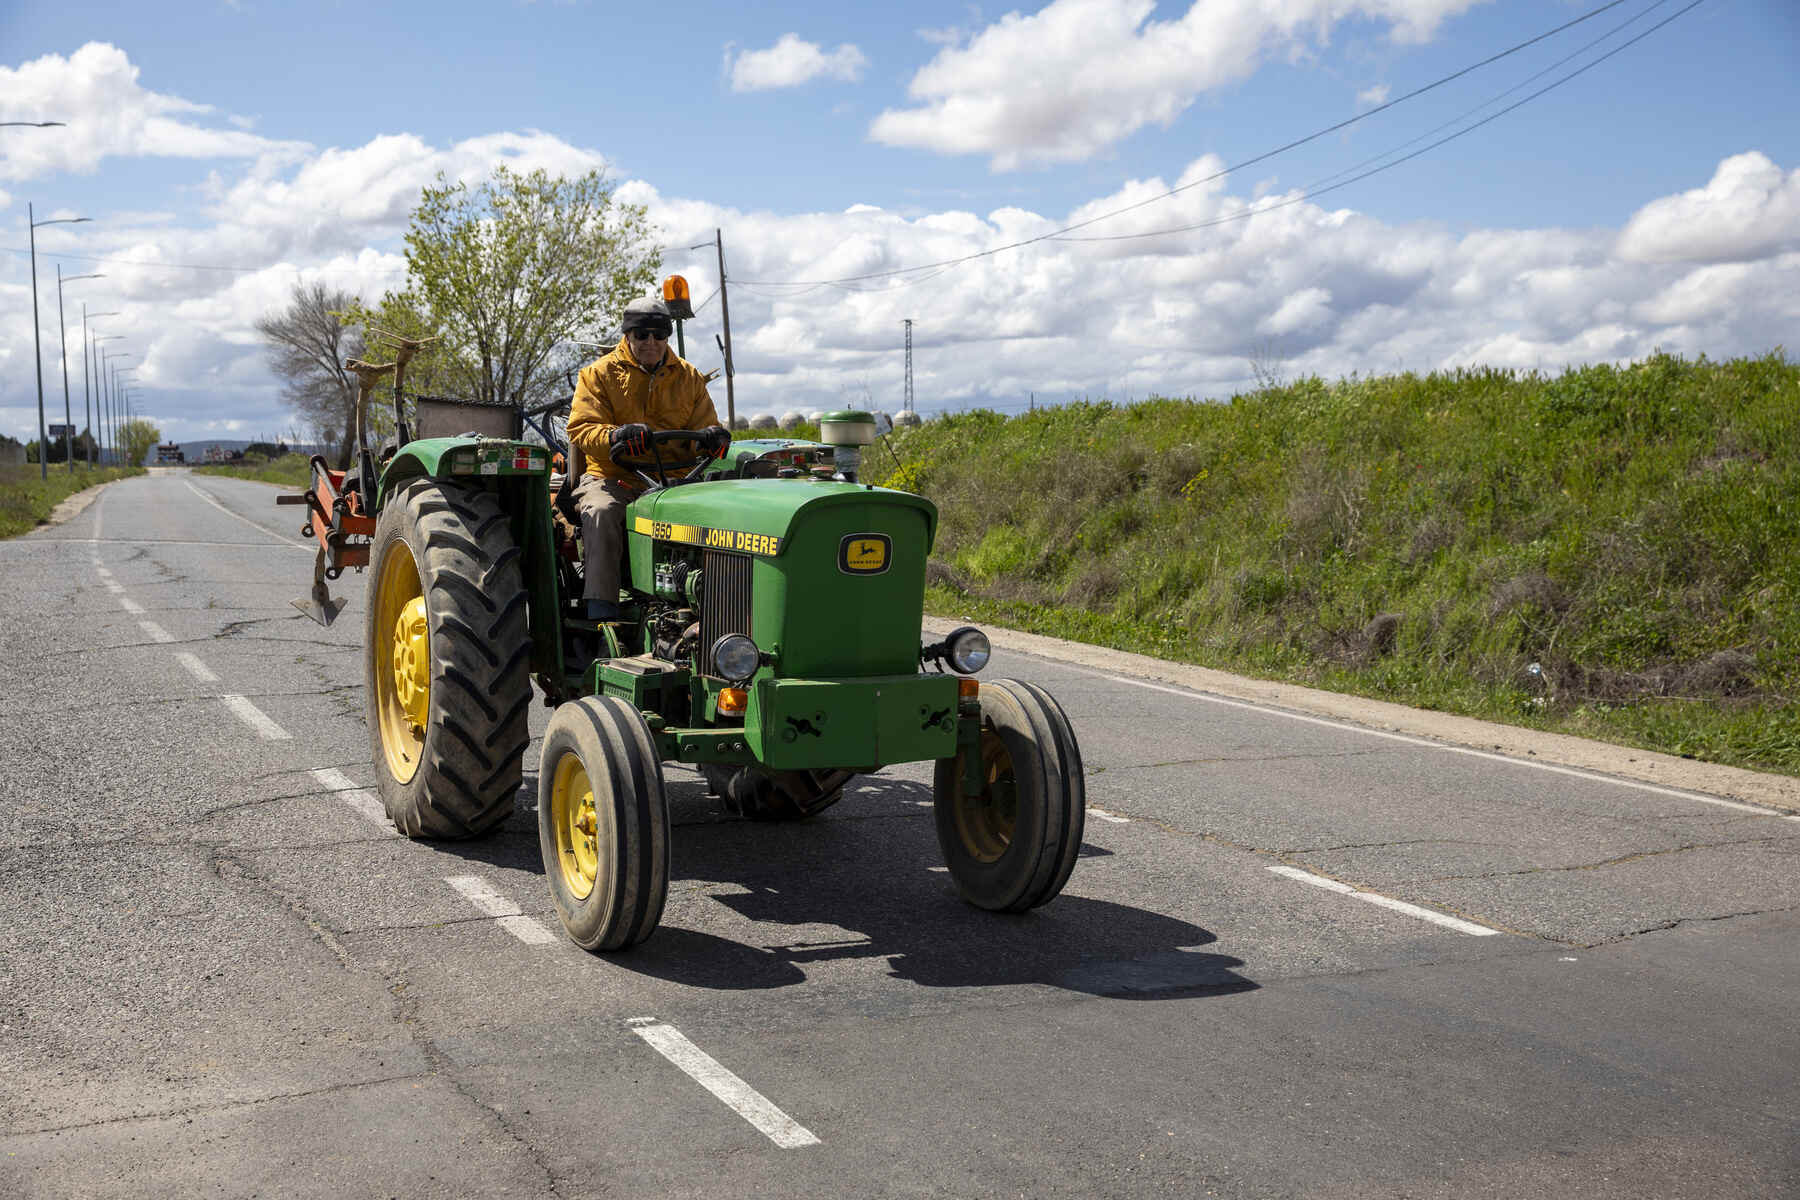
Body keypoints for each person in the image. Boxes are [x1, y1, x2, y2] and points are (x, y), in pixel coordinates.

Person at [565, 296, 730, 620]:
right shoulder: (597, 375)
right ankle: (602, 613)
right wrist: (616, 436)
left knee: (722, 511)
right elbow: (582, 430)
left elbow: (704, 428)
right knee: (602, 510)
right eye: (642, 335)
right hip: (614, 477)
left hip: (676, 482)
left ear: (667, 336)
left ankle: (715, 604)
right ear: (628, 335)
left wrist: (714, 438)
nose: (651, 342)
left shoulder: (688, 377)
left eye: (659, 335)